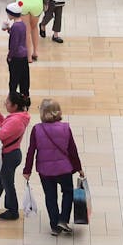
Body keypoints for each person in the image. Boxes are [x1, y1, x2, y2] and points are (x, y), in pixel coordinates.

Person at [23, 99, 85, 237]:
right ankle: (63, 219)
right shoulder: (65, 128)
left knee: (50, 197)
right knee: (68, 193)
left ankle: (54, 225)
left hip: (45, 171)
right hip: (64, 169)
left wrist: (27, 170)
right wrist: (78, 167)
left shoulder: (37, 129)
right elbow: (72, 150)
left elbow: (31, 151)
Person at [0, 93, 32, 221]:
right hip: (10, 154)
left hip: (9, 156)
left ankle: (13, 210)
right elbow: (7, 127)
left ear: (15, 106)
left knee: (8, 184)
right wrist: (0, 116)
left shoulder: (16, 120)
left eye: (7, 103)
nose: (5, 104)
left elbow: (0, 134)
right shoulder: (18, 116)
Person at [2, 2, 31, 99]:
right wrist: (9, 30)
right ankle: (25, 96)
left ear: (11, 14)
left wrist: (9, 56)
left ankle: (12, 97)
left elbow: (14, 44)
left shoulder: (15, 26)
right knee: (24, 78)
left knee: (14, 79)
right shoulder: (22, 24)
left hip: (16, 57)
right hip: (23, 55)